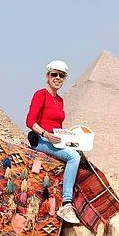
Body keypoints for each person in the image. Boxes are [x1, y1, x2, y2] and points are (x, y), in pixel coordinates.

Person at [25, 60, 81, 224]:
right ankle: (66, 203)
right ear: (47, 76)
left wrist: (69, 137)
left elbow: (58, 127)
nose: (57, 78)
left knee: (79, 155)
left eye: (61, 75)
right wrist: (46, 134)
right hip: (40, 139)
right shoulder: (40, 94)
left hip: (55, 140)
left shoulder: (60, 100)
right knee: (73, 158)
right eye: (54, 74)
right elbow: (30, 121)